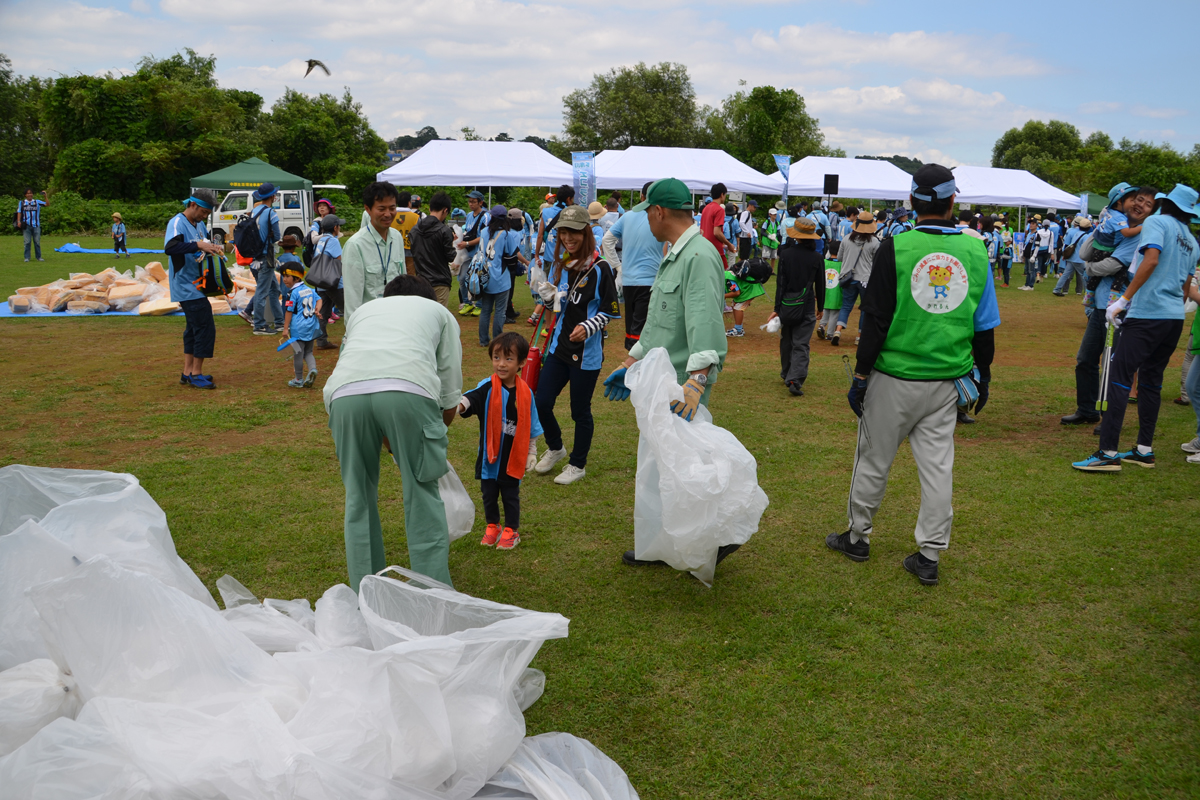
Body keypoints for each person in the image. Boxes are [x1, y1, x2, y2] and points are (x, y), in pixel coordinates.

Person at [826, 164, 1000, 586]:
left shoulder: (896, 246)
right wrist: (985, 376)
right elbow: (984, 325)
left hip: (893, 377)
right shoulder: (977, 251)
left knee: (873, 459)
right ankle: (929, 555)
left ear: (911, 202)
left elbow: (876, 318)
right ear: (953, 201)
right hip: (948, 382)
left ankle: (858, 537)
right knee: (938, 468)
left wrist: (861, 375)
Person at [600, 178, 732, 568]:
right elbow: (661, 323)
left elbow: (705, 325)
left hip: (680, 385)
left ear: (658, 212)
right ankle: (664, 544)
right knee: (662, 469)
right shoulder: (676, 252)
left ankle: (717, 536)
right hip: (660, 380)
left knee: (686, 469)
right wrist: (630, 361)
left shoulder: (698, 256)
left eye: (647, 215)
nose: (647, 223)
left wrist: (696, 382)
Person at [324, 273, 463, 590]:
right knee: (422, 492)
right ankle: (435, 593)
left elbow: (355, 363)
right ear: (428, 298)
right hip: (408, 390)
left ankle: (367, 591)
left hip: (343, 397)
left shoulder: (364, 312)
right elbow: (450, 386)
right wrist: (433, 438)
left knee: (358, 497)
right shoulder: (439, 312)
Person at [1073, 184, 1199, 472]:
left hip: (1146, 314)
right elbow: (1184, 287)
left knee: (1119, 377)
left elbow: (1151, 260)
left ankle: (1107, 452)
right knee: (1151, 382)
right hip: (1173, 318)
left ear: (1164, 203)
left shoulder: (1156, 222)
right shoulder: (1192, 240)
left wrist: (1124, 300)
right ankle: (1144, 449)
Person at [530, 205, 620, 485]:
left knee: (579, 412)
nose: (568, 238)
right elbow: (560, 306)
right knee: (541, 401)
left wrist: (587, 327)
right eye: (563, 233)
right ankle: (556, 448)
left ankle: (577, 465)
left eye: (574, 232)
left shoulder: (601, 267)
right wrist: (547, 296)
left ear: (586, 233)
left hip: (586, 354)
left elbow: (610, 311)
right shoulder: (564, 264)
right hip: (558, 347)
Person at [1060, 185, 1153, 427]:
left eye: (1147, 204)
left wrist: (1089, 267)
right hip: (1101, 305)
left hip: (1119, 308)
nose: (1139, 205)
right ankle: (1087, 409)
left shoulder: (1139, 236)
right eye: (1136, 199)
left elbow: (1110, 265)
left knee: (1112, 365)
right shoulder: (1113, 225)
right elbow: (1085, 251)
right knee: (1086, 359)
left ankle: (1109, 419)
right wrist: (1102, 226)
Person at [458, 331, 544, 550]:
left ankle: (511, 530)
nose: (501, 364)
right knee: (488, 494)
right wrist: (460, 405)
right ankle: (492, 525)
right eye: (496, 358)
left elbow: (531, 426)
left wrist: (532, 451)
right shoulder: (489, 385)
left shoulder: (526, 393)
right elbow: (472, 397)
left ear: (521, 362)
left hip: (512, 457)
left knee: (510, 495)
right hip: (490, 457)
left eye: (508, 358)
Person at [163, 188, 224, 389]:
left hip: (198, 284)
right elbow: (170, 248)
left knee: (193, 328)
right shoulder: (177, 222)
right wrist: (197, 245)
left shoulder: (199, 224)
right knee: (205, 326)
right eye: (204, 212)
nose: (205, 216)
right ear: (192, 204)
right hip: (184, 284)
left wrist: (213, 247)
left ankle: (187, 372)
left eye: (207, 214)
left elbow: (204, 242)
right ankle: (196, 374)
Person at [765, 217, 824, 396]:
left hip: (786, 304)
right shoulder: (816, 257)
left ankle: (786, 372)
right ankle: (795, 379)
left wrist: (777, 308)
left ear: (796, 236)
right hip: (806, 303)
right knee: (801, 343)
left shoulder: (786, 255)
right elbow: (820, 285)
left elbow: (780, 284)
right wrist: (820, 306)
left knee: (787, 339)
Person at [602, 182, 662, 351]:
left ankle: (634, 363)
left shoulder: (627, 216)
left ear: (642, 197)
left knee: (632, 327)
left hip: (629, 280)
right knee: (643, 330)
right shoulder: (660, 217)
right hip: (651, 280)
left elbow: (607, 240)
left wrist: (618, 266)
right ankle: (638, 366)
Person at [343, 182, 404, 322]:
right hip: (370, 324)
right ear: (368, 209)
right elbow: (352, 299)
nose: (388, 214)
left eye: (392, 208)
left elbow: (402, 280)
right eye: (381, 209)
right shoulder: (355, 245)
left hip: (396, 320)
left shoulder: (397, 238)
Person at [478, 205, 528, 348]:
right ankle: (498, 339)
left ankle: (483, 340)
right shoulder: (506, 234)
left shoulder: (483, 232)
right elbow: (512, 257)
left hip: (485, 276)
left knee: (486, 310)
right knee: (500, 311)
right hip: (501, 278)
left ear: (491, 217)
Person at [831, 210, 880, 347]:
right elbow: (877, 261)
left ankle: (838, 331)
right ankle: (859, 336)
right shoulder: (875, 242)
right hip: (866, 279)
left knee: (846, 305)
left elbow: (839, 257)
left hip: (848, 277)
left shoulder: (847, 238)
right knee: (865, 308)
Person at [409, 191, 457, 308]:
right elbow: (450, 256)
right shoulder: (444, 231)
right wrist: (452, 242)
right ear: (445, 210)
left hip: (421, 281)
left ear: (430, 208)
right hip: (440, 281)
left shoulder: (414, 230)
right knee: (438, 317)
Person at [280, 259, 322, 389]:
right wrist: (317, 309)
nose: (284, 279)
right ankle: (313, 369)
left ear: (297, 277)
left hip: (298, 328)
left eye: (287, 276)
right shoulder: (309, 289)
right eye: (283, 276)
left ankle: (298, 379)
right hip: (311, 326)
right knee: (308, 352)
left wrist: (285, 328)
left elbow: (288, 311)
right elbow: (319, 299)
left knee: (298, 353)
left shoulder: (292, 293)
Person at [248, 182, 283, 335]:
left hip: (254, 257)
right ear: (273, 197)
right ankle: (259, 325)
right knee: (262, 292)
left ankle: (280, 322)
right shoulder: (270, 213)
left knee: (275, 289)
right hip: (266, 257)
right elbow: (277, 236)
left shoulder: (253, 211)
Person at [311, 213, 346, 349]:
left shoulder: (321, 240)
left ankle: (321, 341)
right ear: (335, 227)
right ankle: (354, 337)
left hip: (321, 282)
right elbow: (339, 260)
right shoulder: (333, 241)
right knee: (348, 309)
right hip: (334, 283)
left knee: (323, 313)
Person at [457, 191, 491, 316]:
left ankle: (480, 305)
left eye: (473, 201)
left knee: (478, 279)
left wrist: (466, 244)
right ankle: (467, 303)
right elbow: (469, 232)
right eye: (469, 201)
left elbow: (484, 236)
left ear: (480, 202)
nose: (470, 204)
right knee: (462, 278)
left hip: (480, 253)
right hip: (468, 252)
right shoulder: (470, 215)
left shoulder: (486, 216)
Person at [1053, 217, 1090, 296]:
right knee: (1084, 275)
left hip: (1071, 257)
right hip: (1079, 259)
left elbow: (1068, 244)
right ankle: (1088, 292)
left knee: (1066, 274)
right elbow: (1085, 248)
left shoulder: (1075, 232)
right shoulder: (1085, 236)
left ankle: (1057, 289)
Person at [700, 182, 734, 262]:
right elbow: (717, 232)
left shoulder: (706, 208)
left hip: (704, 246)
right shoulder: (719, 210)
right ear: (722, 194)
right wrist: (729, 244)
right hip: (715, 249)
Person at [392, 190, 420, 276]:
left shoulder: (391, 215)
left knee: (395, 275)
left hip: (394, 250)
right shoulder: (415, 217)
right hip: (410, 251)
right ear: (409, 203)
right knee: (410, 276)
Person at [19, 188, 47, 262]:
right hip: (26, 225)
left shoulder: (37, 202)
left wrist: (45, 197)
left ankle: (38, 257)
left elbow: (47, 204)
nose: (29, 194)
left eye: (31, 193)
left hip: (36, 225)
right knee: (27, 242)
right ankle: (27, 257)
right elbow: (19, 212)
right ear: (25, 195)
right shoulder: (22, 203)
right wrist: (19, 221)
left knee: (37, 242)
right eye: (28, 193)